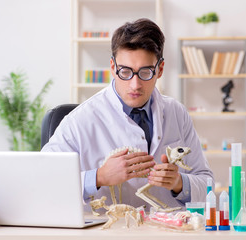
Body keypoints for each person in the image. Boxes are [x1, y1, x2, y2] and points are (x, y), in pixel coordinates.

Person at [42, 18, 213, 212]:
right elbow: (45, 182)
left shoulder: (177, 113)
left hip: (167, 230)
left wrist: (179, 183)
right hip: (109, 230)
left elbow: (207, 184)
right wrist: (99, 177)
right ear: (113, 68)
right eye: (125, 71)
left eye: (146, 72)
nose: (135, 84)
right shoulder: (79, 120)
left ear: (160, 70)